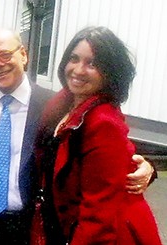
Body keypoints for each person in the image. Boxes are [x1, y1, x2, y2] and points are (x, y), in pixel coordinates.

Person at [0, 28, 156, 245]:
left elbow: (109, 154)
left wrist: (145, 168)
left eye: (5, 55)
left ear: (23, 54)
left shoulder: (51, 105)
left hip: (35, 227)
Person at [34, 26, 162, 244]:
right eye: (74, 58)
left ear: (110, 71)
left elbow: (98, 218)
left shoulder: (103, 122)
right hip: (61, 226)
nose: (78, 70)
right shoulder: (63, 104)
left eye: (92, 63)